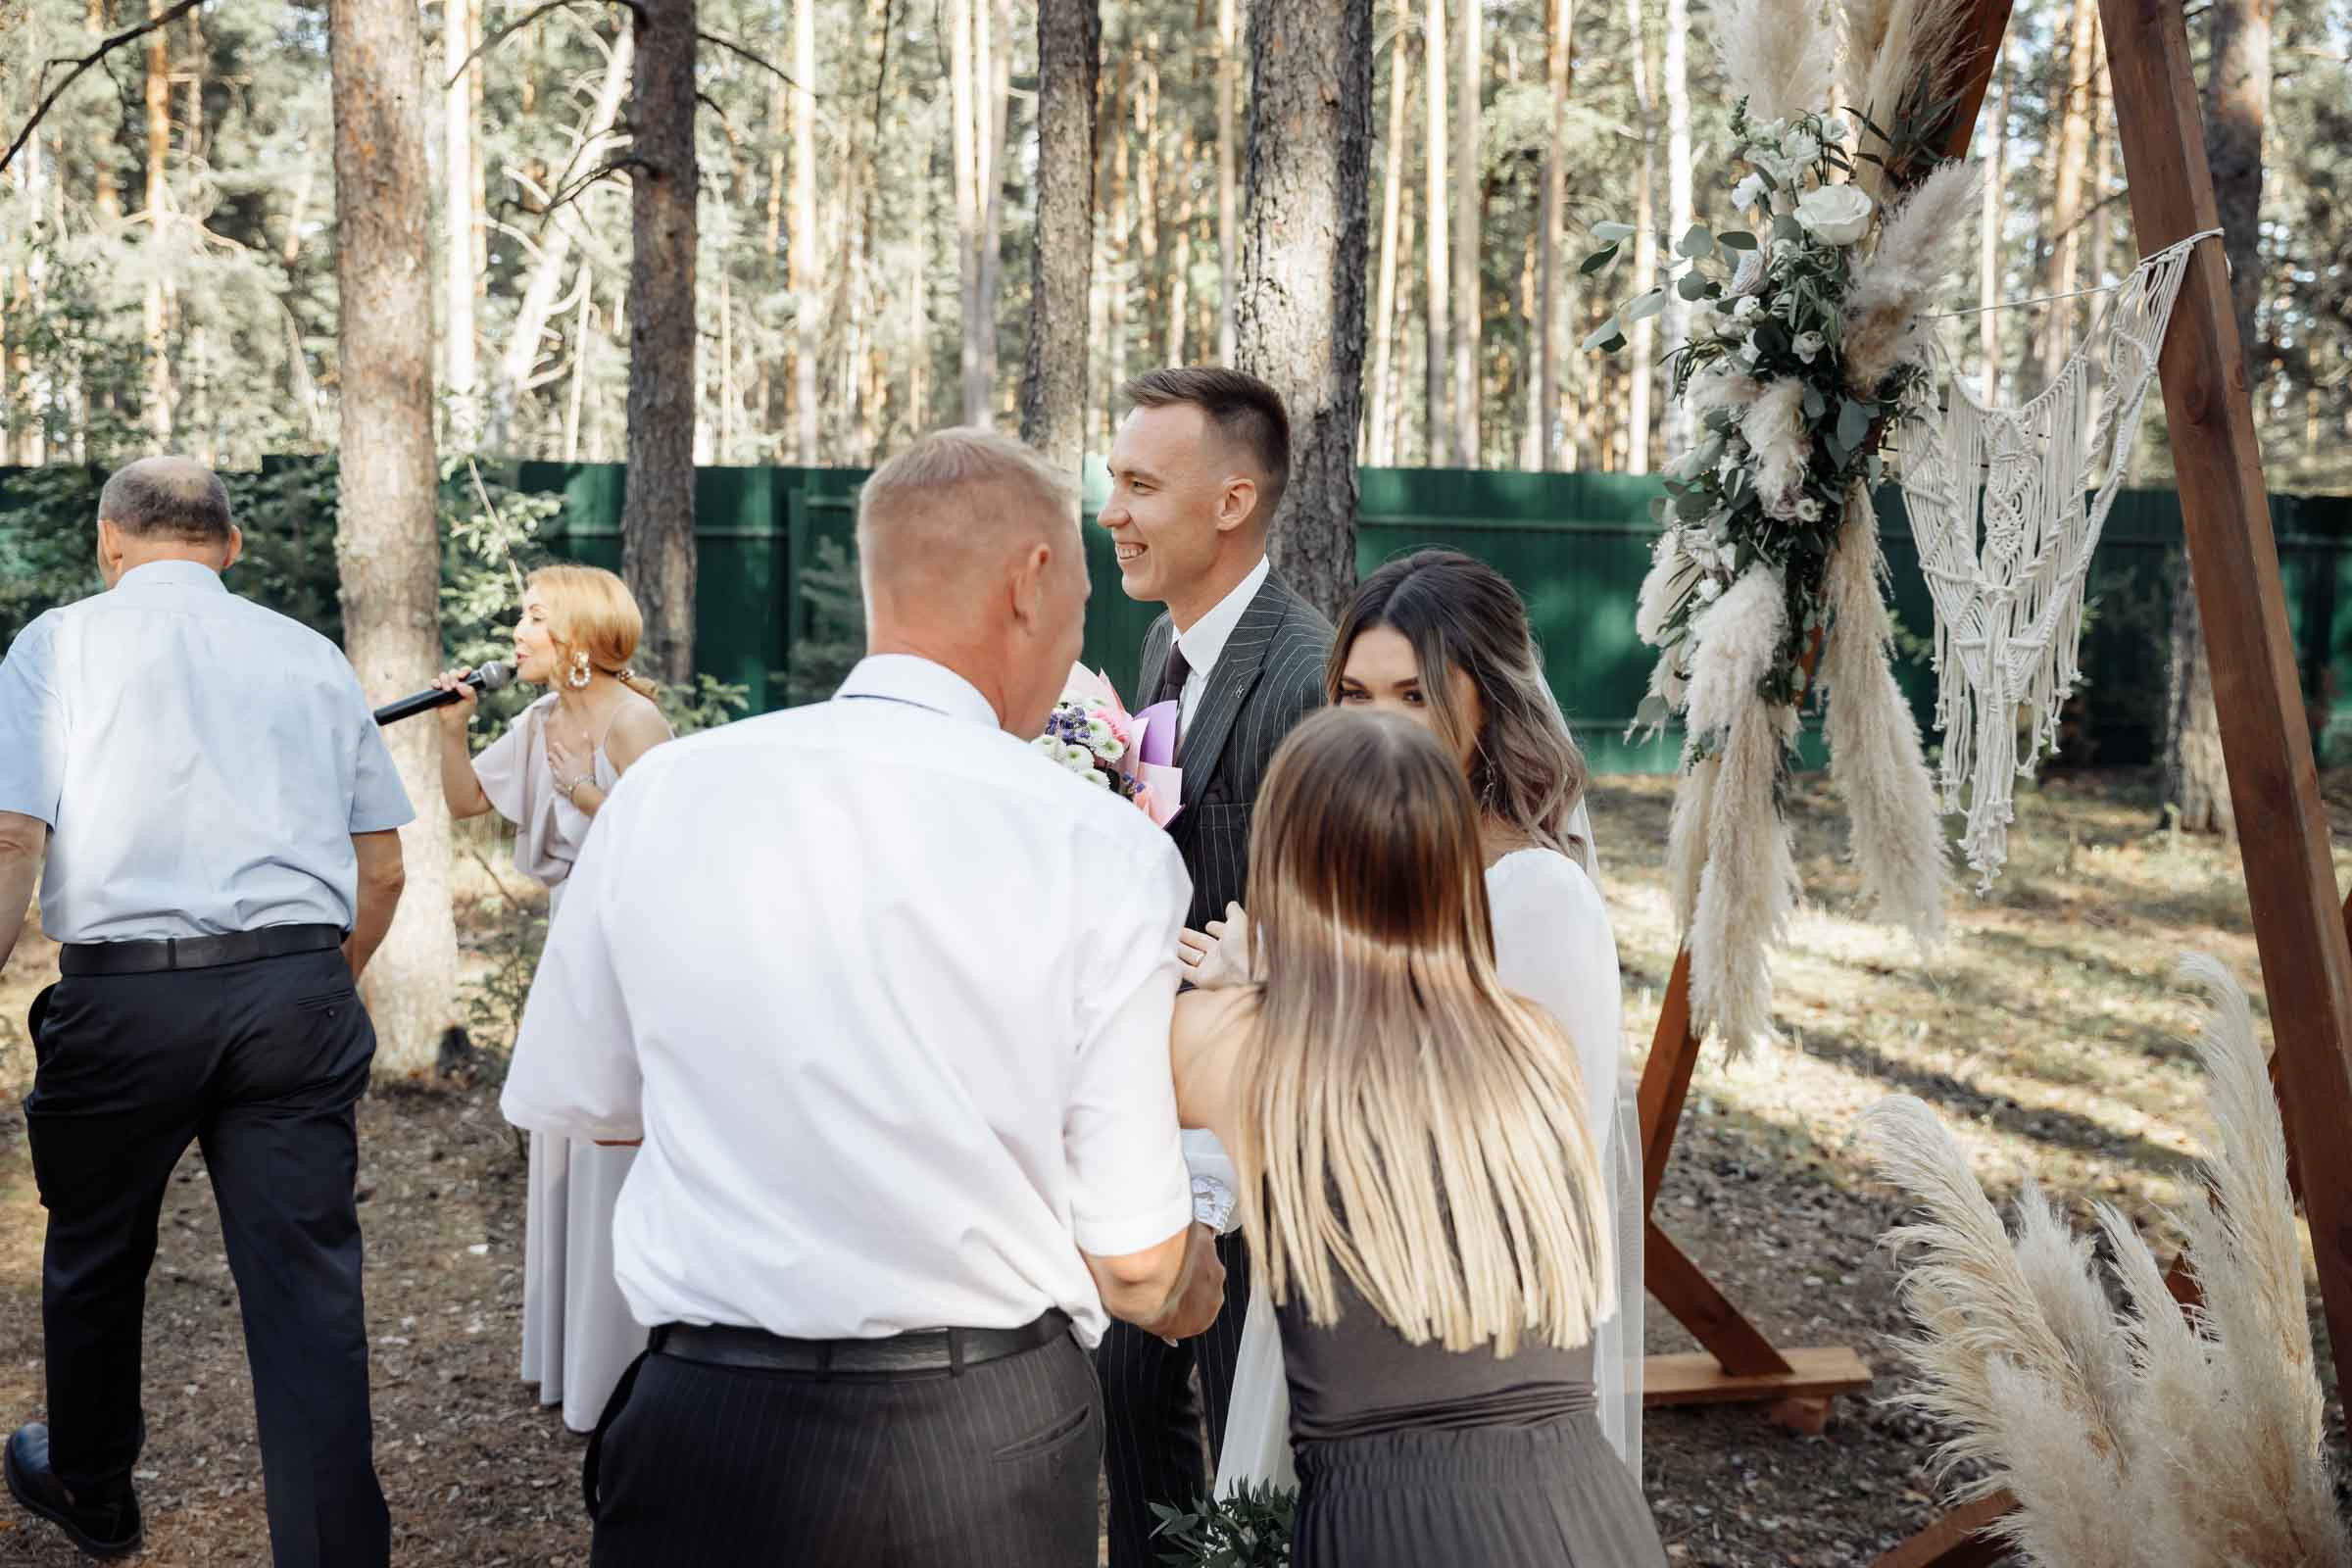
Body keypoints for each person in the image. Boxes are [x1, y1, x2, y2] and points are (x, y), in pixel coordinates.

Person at [500, 427, 1228, 1566]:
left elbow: (587, 1098)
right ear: (1031, 585)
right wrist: (1189, 1290)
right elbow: (1137, 1260)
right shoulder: (1095, 846)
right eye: (1083, 607)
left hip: (706, 1412)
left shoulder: (672, 795)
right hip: (974, 1437)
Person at [0, 457, 413, 1566]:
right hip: (293, 988)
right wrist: (328, 982)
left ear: (109, 543)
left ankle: (90, 1488)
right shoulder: (311, 655)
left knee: (94, 1250)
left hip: (123, 996)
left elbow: (12, 836)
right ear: (231, 548)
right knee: (309, 1288)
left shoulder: (58, 644)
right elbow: (383, 869)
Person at [1192, 547, 1646, 1489]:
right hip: (1322, 1318)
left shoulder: (1536, 899)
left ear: (1490, 704)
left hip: (1453, 1365)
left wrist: (1254, 1020)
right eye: (1356, 696)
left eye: (1415, 697)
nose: (1380, 726)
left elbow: (1494, 1178)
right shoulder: (1345, 871)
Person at [1094, 366, 1331, 1566]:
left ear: (1232, 501)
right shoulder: (1158, 646)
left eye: (1141, 484)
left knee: (1247, 1424)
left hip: (1257, 1121)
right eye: (1113, 481)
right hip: (1148, 1104)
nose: (1112, 510)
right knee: (1128, 1401)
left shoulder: (1307, 671)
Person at [427, 564, 672, 1433]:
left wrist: (579, 791)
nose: (517, 634)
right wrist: (453, 729)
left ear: (573, 634)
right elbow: (463, 803)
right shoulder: (535, 721)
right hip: (570, 942)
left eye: (533, 619)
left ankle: (631, 1365)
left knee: (617, 1130)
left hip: (628, 945)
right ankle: (571, 1358)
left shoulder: (635, 719)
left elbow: (667, 841)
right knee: (565, 1133)